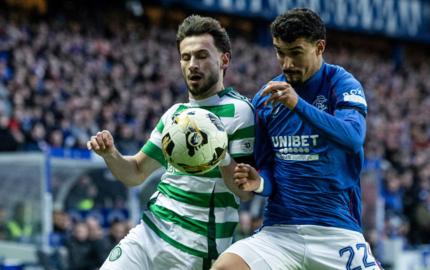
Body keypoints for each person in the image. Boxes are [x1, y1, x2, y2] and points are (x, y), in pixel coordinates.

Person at [212, 8, 381, 270]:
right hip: (280, 233)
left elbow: (353, 137)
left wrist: (297, 104)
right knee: (226, 267)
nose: (287, 63)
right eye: (280, 52)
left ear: (319, 47)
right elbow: (269, 170)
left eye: (296, 52)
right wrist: (258, 183)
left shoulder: (341, 84)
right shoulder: (266, 99)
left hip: (335, 232)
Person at [87, 15, 254, 270]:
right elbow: (135, 173)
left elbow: (244, 191)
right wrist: (111, 154)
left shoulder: (240, 112)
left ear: (224, 60)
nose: (192, 64)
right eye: (186, 57)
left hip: (197, 249)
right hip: (149, 233)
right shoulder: (175, 115)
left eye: (201, 56)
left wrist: (220, 155)